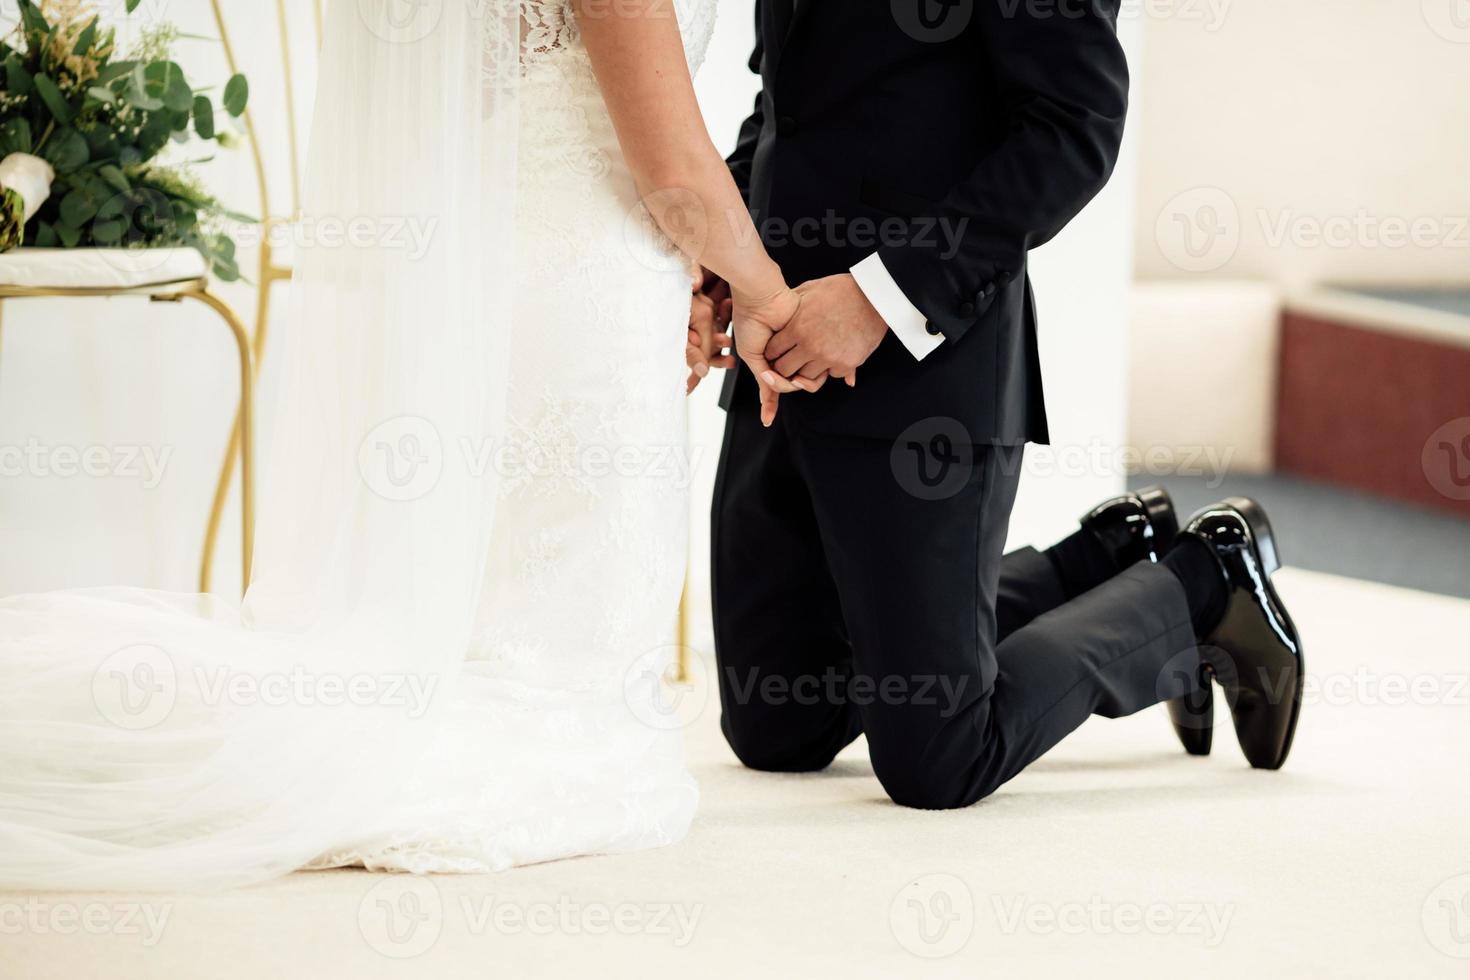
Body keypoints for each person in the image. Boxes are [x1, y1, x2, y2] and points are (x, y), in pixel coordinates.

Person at [702, 0, 1305, 808]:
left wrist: (878, 299)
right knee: (778, 725)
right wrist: (723, 263)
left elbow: (1075, 127)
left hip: (926, 379)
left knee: (941, 758)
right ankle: (1105, 555)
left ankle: (1203, 581)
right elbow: (781, 102)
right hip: (777, 351)